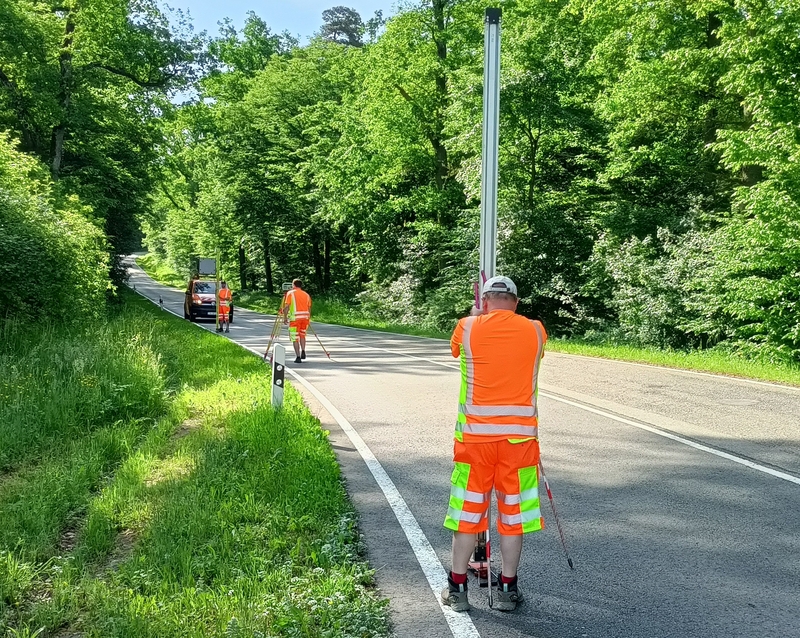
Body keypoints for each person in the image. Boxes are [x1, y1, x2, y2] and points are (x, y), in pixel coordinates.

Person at [441, 275, 548, 613]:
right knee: (513, 517)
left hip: (474, 442)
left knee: (468, 515)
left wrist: (475, 314)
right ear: (516, 302)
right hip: (519, 444)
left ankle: (457, 589)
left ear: (485, 301)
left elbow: (454, 349)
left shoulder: (468, 327)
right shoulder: (536, 331)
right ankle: (507, 589)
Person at [283, 279, 312, 364]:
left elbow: (287, 307)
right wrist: (308, 317)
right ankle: (303, 350)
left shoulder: (290, 293)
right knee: (302, 335)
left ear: (293, 285)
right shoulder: (306, 294)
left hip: (295, 319)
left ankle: (298, 356)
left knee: (295, 338)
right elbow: (309, 307)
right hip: (305, 318)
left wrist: (285, 317)